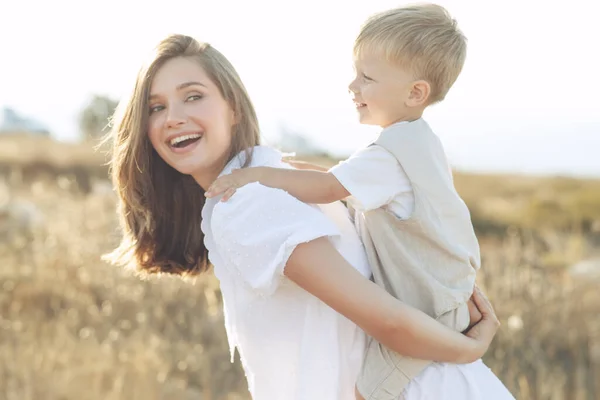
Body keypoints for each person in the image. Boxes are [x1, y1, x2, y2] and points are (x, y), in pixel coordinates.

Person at [103, 33, 507, 400]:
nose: (173, 116)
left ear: (234, 109)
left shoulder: (247, 202)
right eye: (156, 107)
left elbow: (390, 321)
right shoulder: (279, 177)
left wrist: (470, 346)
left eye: (193, 96)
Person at [206, 4, 515, 399]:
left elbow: (330, 188)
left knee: (367, 389)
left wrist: (258, 175)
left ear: (415, 92)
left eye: (367, 78)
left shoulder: (386, 154)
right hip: (448, 289)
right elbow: (346, 183)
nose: (353, 86)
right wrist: (305, 170)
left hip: (430, 306)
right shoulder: (418, 141)